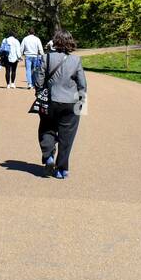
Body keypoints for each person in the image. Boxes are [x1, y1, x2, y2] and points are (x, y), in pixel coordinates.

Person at [34, 30, 87, 179]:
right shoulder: (76, 60)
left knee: (46, 128)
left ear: (55, 42)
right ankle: (61, 169)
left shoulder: (47, 58)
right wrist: (82, 103)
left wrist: (39, 93)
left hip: (51, 100)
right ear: (71, 42)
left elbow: (38, 80)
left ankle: (48, 156)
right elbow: (82, 84)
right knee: (67, 136)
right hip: (71, 102)